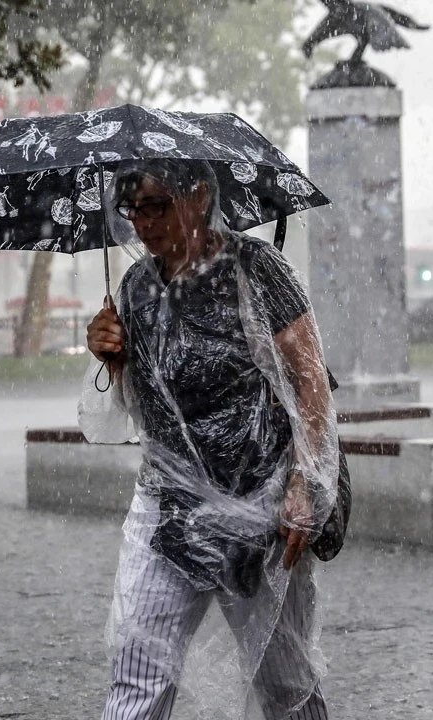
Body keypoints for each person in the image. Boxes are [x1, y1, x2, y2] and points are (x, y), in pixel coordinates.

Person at [82, 159, 338, 720]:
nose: (143, 223)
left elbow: (310, 379)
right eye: (132, 209)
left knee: (285, 683)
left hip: (260, 512)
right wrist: (109, 354)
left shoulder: (256, 270)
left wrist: (305, 484)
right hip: (168, 511)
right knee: (138, 671)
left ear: (199, 196)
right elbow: (139, 407)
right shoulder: (135, 288)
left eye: (157, 206)